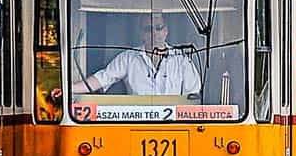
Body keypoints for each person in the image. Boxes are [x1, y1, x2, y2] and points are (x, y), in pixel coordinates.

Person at [71, 13, 201, 97]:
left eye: (158, 27)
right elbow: (102, 78)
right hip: (136, 125)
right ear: (141, 33)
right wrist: (69, 89)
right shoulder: (128, 57)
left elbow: (193, 97)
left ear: (166, 31)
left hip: (175, 128)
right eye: (148, 29)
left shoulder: (182, 60)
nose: (154, 33)